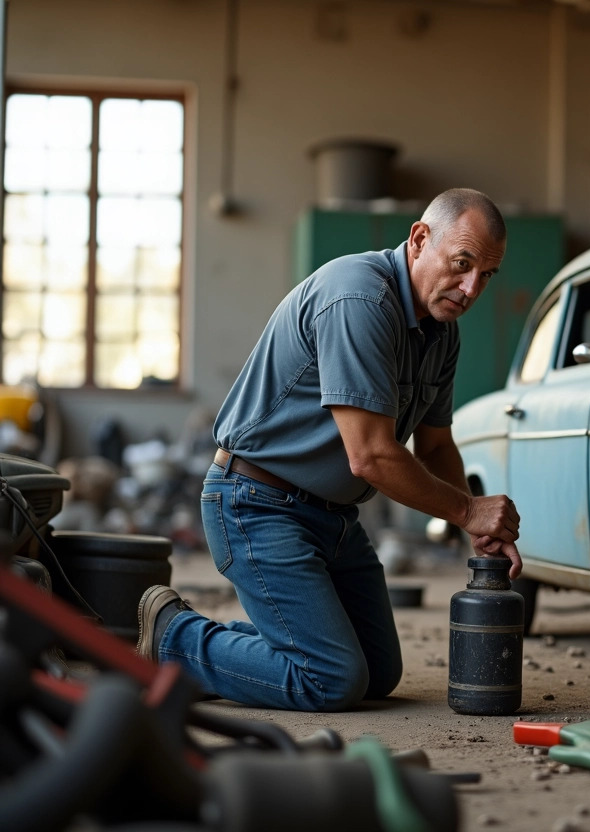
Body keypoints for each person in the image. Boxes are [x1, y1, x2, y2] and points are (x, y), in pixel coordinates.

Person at [134, 188, 522, 711]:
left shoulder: (441, 333)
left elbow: (434, 445)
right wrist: (469, 510)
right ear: (419, 238)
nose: (471, 287)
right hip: (255, 504)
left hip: (334, 518)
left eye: (486, 274)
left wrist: (476, 527)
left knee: (377, 673)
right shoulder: (359, 297)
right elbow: (372, 456)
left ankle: (244, 643)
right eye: (462, 263)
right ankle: (171, 639)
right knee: (332, 680)